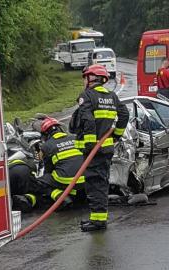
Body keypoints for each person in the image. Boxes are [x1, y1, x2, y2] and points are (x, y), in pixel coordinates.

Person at [72, 64, 129, 232]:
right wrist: (116, 136)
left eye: (85, 77)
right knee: (101, 182)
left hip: (94, 151)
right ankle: (98, 219)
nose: (84, 81)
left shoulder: (87, 95)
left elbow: (88, 120)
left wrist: (90, 145)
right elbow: (124, 115)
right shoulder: (112, 96)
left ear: (91, 78)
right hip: (106, 149)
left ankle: (98, 222)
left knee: (94, 183)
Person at [11, 117, 85, 212]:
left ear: (45, 134)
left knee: (38, 182)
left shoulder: (47, 146)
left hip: (66, 180)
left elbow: (48, 169)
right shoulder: (74, 138)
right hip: (85, 177)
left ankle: (60, 197)